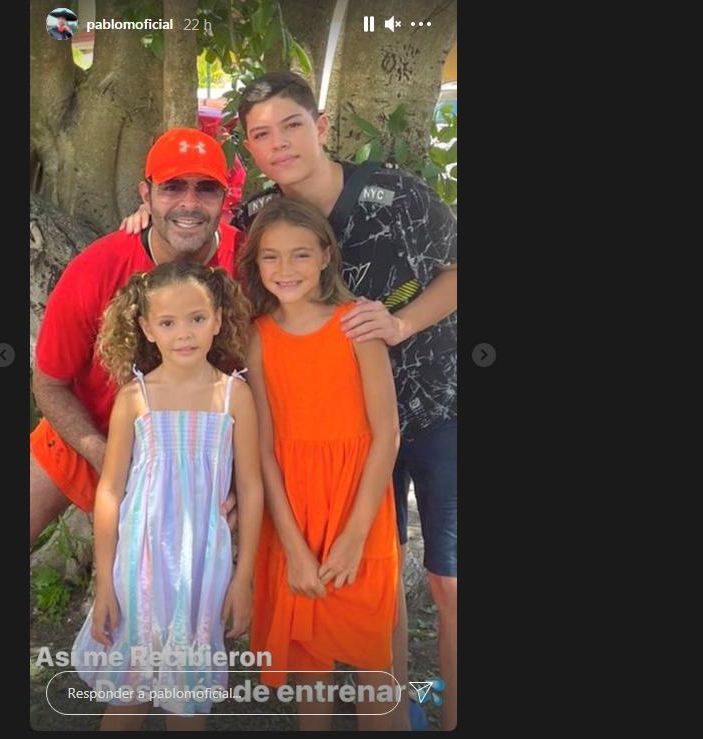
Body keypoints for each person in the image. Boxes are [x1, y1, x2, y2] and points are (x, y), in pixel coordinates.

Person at [120, 72, 458, 729]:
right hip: (328, 444)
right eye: (261, 134)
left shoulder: (395, 194)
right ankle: (395, 708)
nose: (279, 143)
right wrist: (143, 219)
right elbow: (197, 248)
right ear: (249, 148)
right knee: (375, 594)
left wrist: (399, 323)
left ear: (321, 125)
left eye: (292, 125)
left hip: (430, 403)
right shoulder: (255, 223)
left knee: (446, 583)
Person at [69, 262, 263, 729]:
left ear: (218, 319)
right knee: (128, 692)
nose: (184, 333)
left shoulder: (234, 396)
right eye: (168, 322)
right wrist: (105, 583)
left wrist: (244, 577)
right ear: (146, 329)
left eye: (197, 318)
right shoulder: (135, 398)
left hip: (203, 567)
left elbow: (251, 487)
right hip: (139, 567)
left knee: (185, 701)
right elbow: (110, 491)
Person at [31, 128, 239, 544]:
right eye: (173, 187)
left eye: (206, 188)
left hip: (198, 452)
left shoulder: (249, 261)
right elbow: (49, 383)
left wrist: (239, 476)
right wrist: (100, 453)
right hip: (92, 427)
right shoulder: (97, 268)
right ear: (145, 195)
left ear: (225, 197)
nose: (189, 203)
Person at [241, 198, 400, 731]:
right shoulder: (256, 336)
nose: (285, 269)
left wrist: (354, 537)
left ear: (327, 256)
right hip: (293, 512)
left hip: (358, 507)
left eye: (301, 254)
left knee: (371, 652)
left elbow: (386, 434)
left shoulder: (357, 325)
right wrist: (293, 548)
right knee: (309, 657)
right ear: (256, 264)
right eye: (271, 257)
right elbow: (264, 450)